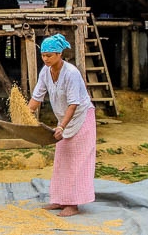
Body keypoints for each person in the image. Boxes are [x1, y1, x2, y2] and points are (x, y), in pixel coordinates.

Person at [27, 33, 96, 217]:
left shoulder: (71, 73)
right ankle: (59, 199)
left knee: (78, 161)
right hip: (64, 120)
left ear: (59, 54)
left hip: (81, 118)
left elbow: (74, 104)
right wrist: (24, 116)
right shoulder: (45, 72)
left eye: (49, 55)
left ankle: (73, 204)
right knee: (62, 160)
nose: (45, 59)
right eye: (43, 55)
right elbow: (36, 98)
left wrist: (61, 127)